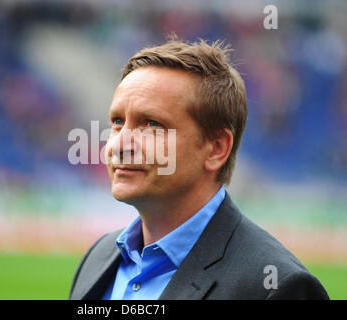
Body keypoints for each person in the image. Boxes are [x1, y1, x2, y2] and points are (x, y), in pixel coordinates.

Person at [69, 36, 329, 300]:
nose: (120, 144)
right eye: (117, 121)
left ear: (216, 148)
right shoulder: (96, 260)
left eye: (152, 124)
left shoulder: (276, 287)